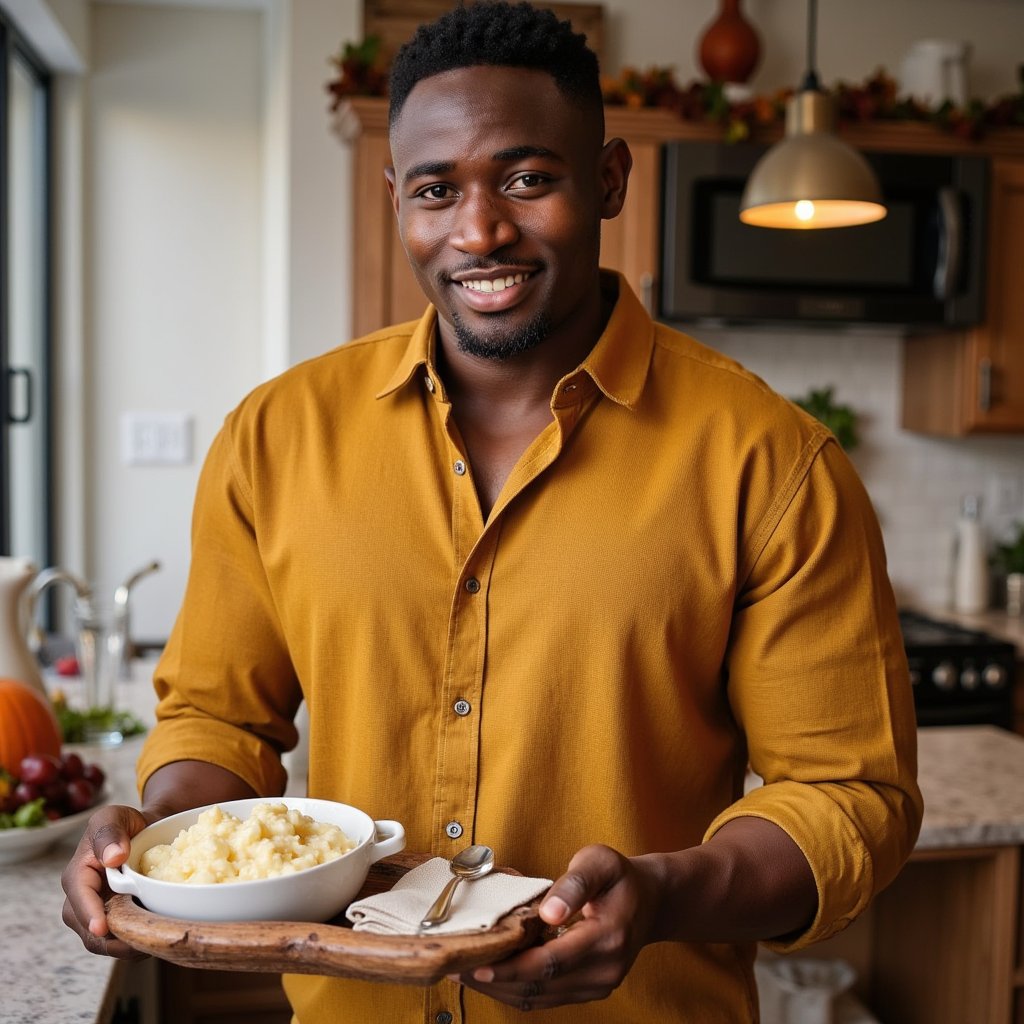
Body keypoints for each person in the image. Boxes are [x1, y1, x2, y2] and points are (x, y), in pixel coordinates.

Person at [62, 2, 923, 1020]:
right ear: (397, 201)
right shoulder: (276, 438)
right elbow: (217, 714)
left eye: (526, 178)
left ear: (606, 180)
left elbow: (849, 798)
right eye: (436, 190)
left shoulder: (772, 463)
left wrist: (662, 895)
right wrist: (160, 841)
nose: (479, 230)